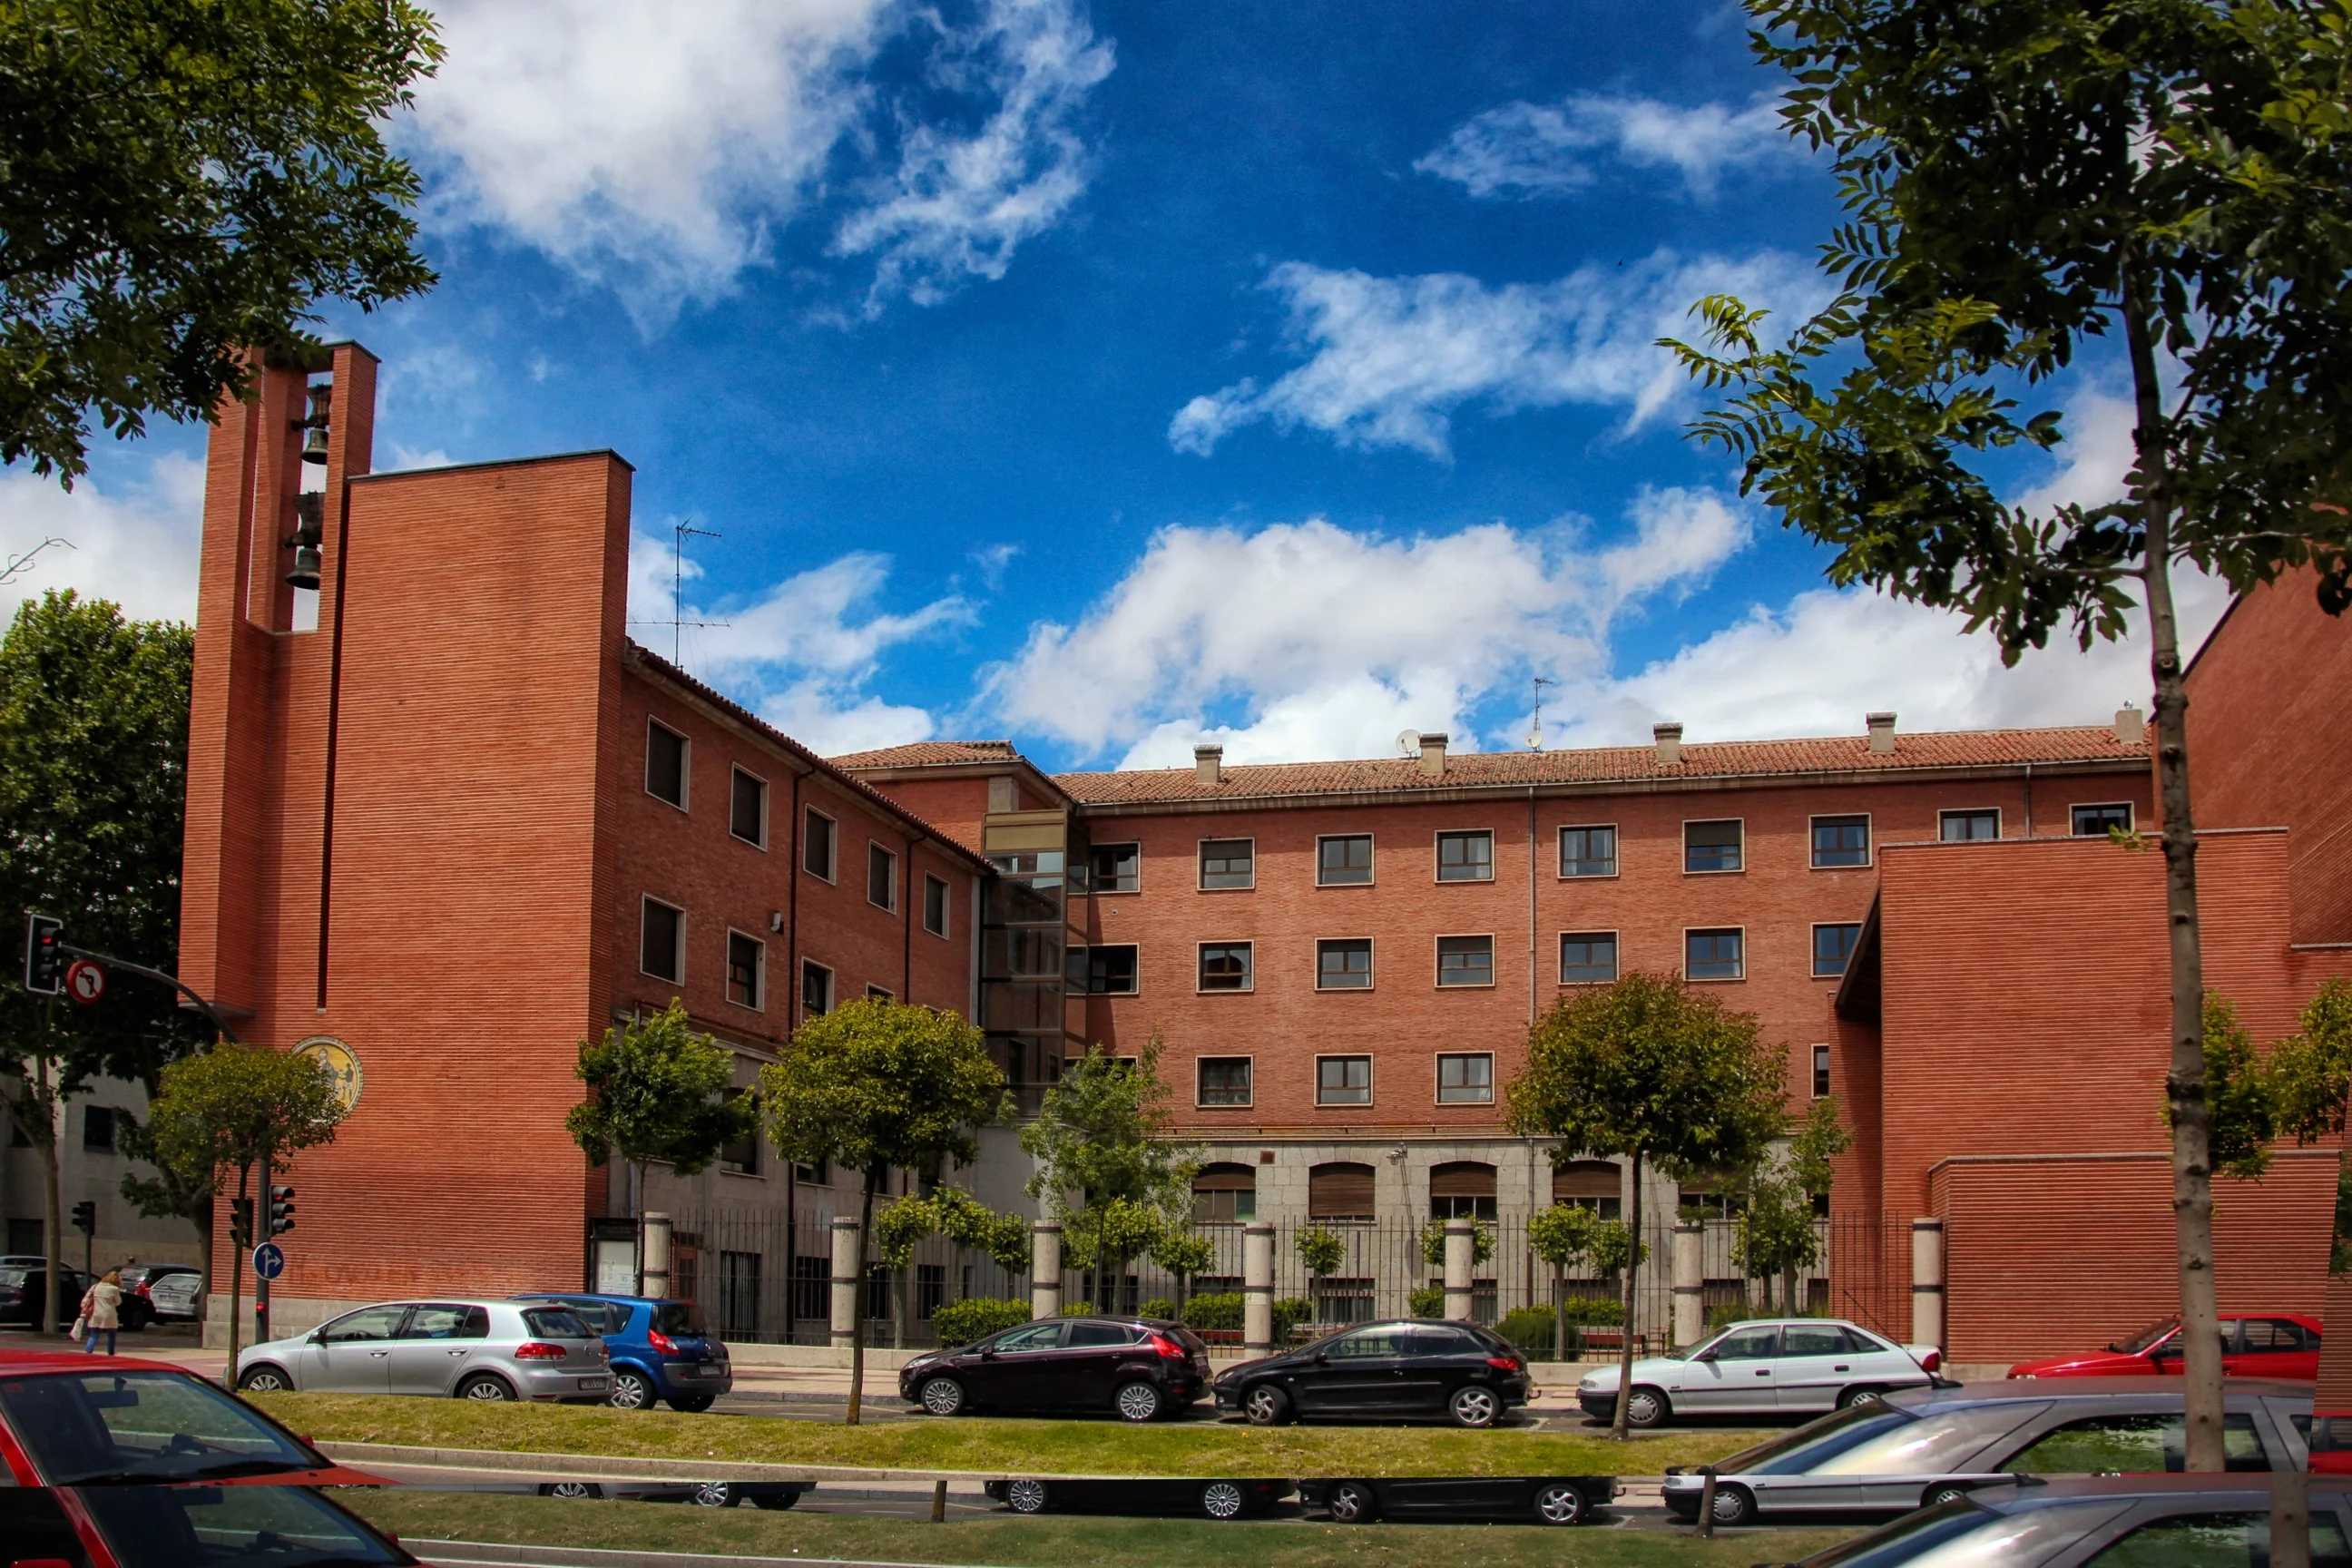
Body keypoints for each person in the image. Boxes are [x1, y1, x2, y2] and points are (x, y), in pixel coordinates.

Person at [80, 1269, 122, 1356]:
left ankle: (88, 1350)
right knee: (111, 1334)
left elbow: (87, 1298)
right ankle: (111, 1352)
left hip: (96, 1313)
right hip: (109, 1313)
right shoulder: (114, 1289)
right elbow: (118, 1302)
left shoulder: (96, 1286)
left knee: (94, 1334)